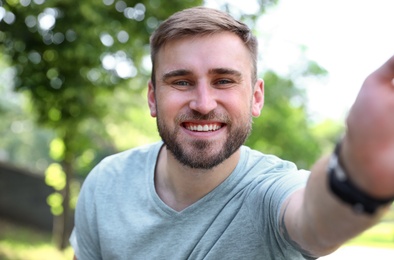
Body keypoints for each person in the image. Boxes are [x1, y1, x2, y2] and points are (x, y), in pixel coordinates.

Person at [70, 6, 394, 260]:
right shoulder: (106, 184)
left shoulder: (271, 192)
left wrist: (356, 176)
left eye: (224, 81)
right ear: (153, 97)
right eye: (181, 82)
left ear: (256, 97)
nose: (203, 103)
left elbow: (314, 221)